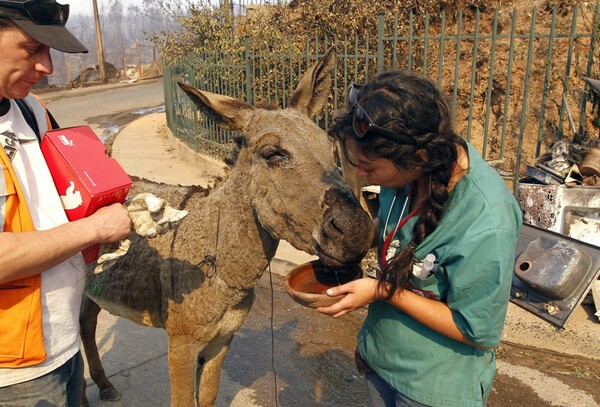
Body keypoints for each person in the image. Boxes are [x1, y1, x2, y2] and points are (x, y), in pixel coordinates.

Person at [320, 71, 522, 407]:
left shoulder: (488, 220)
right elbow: (396, 238)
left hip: (434, 388)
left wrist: (382, 291)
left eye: (369, 167)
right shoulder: (407, 172)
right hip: (382, 361)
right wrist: (372, 347)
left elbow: (475, 331)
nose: (360, 176)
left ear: (420, 158)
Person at [0, 1, 132, 405]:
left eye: (50, 51)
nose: (48, 68)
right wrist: (94, 229)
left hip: (62, 338)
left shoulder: (30, 109)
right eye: (32, 48)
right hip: (16, 371)